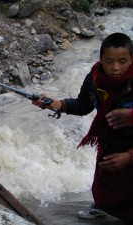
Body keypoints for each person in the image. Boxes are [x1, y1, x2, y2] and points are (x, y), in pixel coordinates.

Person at [33, 33, 133, 223]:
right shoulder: (93, 80)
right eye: (109, 61)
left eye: (122, 61)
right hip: (110, 141)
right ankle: (102, 207)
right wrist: (54, 103)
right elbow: (82, 105)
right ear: (101, 59)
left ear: (131, 59)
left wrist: (130, 155)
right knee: (105, 184)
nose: (115, 68)